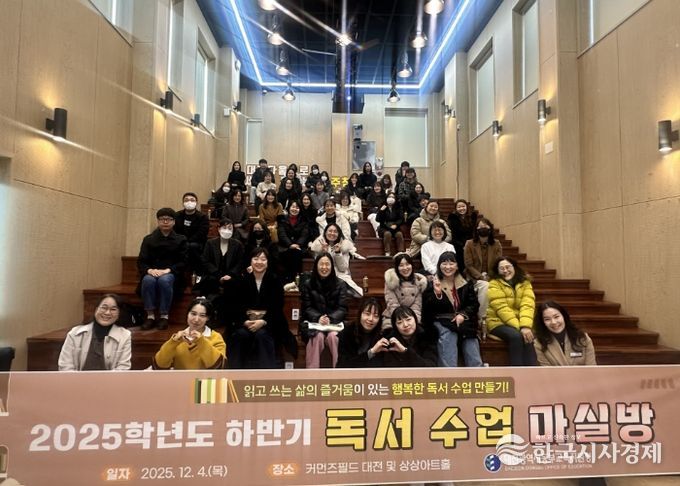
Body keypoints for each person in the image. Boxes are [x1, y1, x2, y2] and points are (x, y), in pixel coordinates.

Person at [230, 248, 294, 368]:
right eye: (256, 259)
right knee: (240, 335)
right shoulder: (241, 281)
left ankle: (267, 375)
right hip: (246, 322)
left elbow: (277, 307)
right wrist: (245, 322)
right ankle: (235, 374)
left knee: (262, 335)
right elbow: (236, 306)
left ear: (268, 262)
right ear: (250, 261)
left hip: (270, 322)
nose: (259, 262)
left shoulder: (275, 281)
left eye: (263, 259)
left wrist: (263, 321)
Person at [423, 252, 483, 367]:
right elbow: (428, 308)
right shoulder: (433, 282)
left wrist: (463, 314)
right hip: (441, 319)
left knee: (469, 334)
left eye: (451, 263)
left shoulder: (465, 282)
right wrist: (438, 293)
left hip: (462, 319)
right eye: (444, 264)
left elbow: (473, 304)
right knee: (449, 334)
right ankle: (449, 372)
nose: (448, 267)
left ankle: (477, 371)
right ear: (439, 265)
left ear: (457, 266)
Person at [137, 208, 187, 330]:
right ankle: (150, 316)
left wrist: (168, 270)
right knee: (148, 280)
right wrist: (149, 270)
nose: (165, 222)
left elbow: (183, 262)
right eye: (162, 219)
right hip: (152, 271)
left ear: (174, 222)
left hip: (171, 272)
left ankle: (164, 316)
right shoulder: (148, 239)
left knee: (164, 280)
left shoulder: (181, 239)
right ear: (158, 221)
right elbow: (141, 261)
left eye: (168, 219)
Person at [58, 294, 131, 371]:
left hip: (111, 379)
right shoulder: (74, 333)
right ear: (96, 309)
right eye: (104, 308)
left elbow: (123, 368)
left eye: (113, 309)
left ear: (119, 314)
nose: (107, 313)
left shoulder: (125, 336)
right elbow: (65, 366)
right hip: (76, 378)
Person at [300, 253, 348, 368]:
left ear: (332, 266)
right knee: (317, 337)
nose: (324, 267)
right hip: (314, 324)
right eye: (321, 264)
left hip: (334, 324)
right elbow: (306, 308)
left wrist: (330, 318)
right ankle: (312, 374)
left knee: (334, 337)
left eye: (327, 264)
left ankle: (339, 371)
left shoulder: (340, 284)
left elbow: (342, 308)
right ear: (316, 266)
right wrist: (318, 318)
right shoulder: (308, 284)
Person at [487, 256, 537, 366]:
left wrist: (525, 326)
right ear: (497, 271)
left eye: (508, 267)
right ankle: (517, 371)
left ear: (514, 267)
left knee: (528, 336)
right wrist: (521, 328)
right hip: (497, 322)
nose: (505, 271)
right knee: (516, 336)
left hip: (519, 322)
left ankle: (533, 371)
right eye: (501, 268)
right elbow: (502, 309)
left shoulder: (525, 283)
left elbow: (527, 305)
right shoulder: (494, 284)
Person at [152, 298, 226, 370]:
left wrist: (201, 341)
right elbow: (158, 366)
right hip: (181, 378)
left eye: (202, 315)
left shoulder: (215, 337)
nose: (196, 319)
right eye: (193, 314)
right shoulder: (177, 338)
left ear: (208, 318)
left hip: (205, 379)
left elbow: (219, 366)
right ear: (188, 314)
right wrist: (173, 342)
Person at [198, 217, 244, 328]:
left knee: (233, 286)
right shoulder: (210, 243)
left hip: (231, 276)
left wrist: (230, 275)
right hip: (213, 275)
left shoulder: (237, 245)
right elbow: (205, 261)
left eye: (230, 228)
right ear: (219, 229)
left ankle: (228, 318)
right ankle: (211, 317)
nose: (227, 230)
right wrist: (218, 275)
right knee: (210, 285)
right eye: (224, 227)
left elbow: (240, 263)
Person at [464, 217, 503, 325]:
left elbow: (498, 264)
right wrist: (482, 277)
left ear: (490, 229)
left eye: (485, 227)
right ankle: (482, 320)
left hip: (492, 276)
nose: (483, 229)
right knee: (485, 286)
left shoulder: (496, 244)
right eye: (480, 227)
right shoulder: (469, 244)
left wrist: (489, 276)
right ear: (476, 229)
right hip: (474, 278)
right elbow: (468, 265)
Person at [534, 301, 597, 366]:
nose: (553, 322)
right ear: (543, 322)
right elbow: (546, 371)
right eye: (547, 319)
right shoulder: (539, 344)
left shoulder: (582, 338)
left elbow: (592, 368)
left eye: (556, 317)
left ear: (564, 316)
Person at [310, 224, 363, 296]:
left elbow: (343, 268)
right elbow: (318, 267)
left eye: (335, 231)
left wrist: (338, 253)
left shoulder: (344, 246)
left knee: (340, 284)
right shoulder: (319, 246)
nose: (332, 233)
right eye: (330, 231)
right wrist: (325, 253)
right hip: (323, 275)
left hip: (340, 276)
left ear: (339, 234)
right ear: (325, 233)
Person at [382, 253, 427, 330]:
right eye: (401, 265)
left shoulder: (419, 281)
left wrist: (412, 321)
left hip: (412, 318)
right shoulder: (391, 281)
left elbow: (417, 306)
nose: (405, 268)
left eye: (407, 264)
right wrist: (401, 321)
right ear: (397, 267)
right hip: (392, 317)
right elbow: (392, 304)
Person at [337, 297, 385, 368]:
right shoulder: (347, 333)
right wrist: (371, 352)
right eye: (367, 314)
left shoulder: (382, 336)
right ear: (360, 314)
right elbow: (344, 364)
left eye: (375, 316)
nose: (371, 319)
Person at [174, 192, 209, 274]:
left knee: (192, 247)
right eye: (186, 200)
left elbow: (201, 233)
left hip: (197, 243)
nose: (189, 202)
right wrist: (182, 241)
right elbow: (174, 231)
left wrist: (187, 241)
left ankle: (197, 272)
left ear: (196, 202)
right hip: (180, 242)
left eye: (192, 200)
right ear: (183, 203)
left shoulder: (203, 217)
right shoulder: (177, 215)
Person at [277, 200, 309, 284]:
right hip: (285, 246)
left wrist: (297, 244)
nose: (295, 209)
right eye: (293, 207)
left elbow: (304, 235)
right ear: (289, 208)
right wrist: (290, 244)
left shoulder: (304, 220)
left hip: (299, 247)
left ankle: (295, 279)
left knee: (296, 253)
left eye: (297, 207)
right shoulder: (282, 219)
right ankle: (287, 280)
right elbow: (282, 234)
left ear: (300, 209)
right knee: (287, 253)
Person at [448, 199, 477, 270]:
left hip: (470, 243)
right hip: (458, 244)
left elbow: (473, 231)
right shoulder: (453, 218)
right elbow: (454, 234)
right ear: (456, 208)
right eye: (459, 207)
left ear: (467, 207)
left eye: (463, 206)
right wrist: (462, 245)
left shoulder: (472, 216)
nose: (461, 208)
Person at [376, 192, 404, 256]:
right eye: (389, 197)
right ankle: (387, 252)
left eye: (393, 197)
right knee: (387, 234)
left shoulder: (398, 207)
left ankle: (400, 252)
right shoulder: (382, 206)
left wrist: (396, 224)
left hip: (395, 227)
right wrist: (381, 211)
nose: (391, 198)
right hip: (384, 227)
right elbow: (378, 219)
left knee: (399, 234)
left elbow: (401, 219)